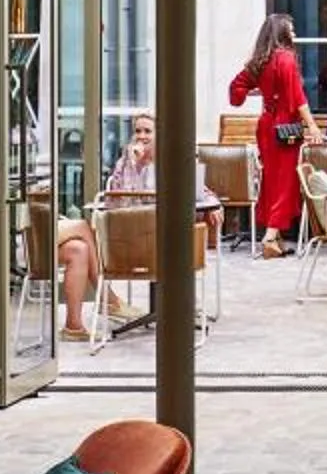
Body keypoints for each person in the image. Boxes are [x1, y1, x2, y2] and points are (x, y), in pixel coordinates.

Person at [55, 114, 223, 337]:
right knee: (88, 235)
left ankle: (111, 300)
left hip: (170, 243)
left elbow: (201, 192)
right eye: (138, 131)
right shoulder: (126, 161)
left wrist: (215, 206)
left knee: (86, 236)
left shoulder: (175, 158)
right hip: (131, 243)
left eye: (148, 131)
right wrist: (136, 166)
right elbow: (116, 200)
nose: (142, 136)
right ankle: (109, 301)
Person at [228, 13, 321, 257]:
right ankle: (269, 237)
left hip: (266, 126)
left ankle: (276, 237)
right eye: (291, 29)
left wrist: (260, 92)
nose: (294, 34)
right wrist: (312, 125)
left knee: (271, 180)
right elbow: (298, 96)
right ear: (281, 32)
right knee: (285, 183)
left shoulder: (261, 59)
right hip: (285, 126)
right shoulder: (287, 59)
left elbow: (236, 89)